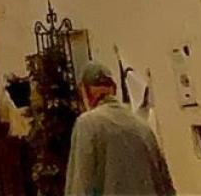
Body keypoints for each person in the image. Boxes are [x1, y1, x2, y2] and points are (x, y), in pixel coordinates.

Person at [65, 60, 176, 195]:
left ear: (86, 92)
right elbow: (165, 186)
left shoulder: (87, 124)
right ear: (114, 89)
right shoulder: (142, 126)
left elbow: (80, 185)